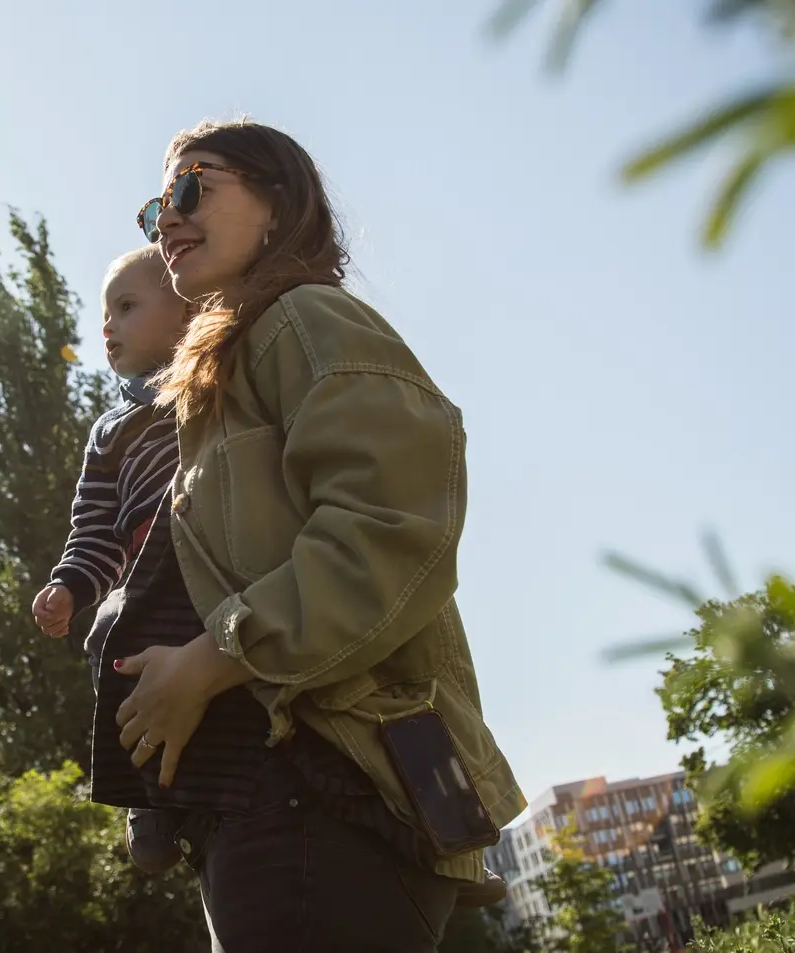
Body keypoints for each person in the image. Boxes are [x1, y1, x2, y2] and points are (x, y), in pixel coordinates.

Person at [101, 119, 527, 951]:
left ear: (277, 204)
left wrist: (206, 662)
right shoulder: (225, 367)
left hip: (328, 788)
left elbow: (386, 532)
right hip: (271, 798)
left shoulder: (304, 319)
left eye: (195, 187)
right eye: (156, 207)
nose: (169, 221)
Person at [31, 244, 195, 873]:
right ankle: (148, 799)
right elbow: (94, 527)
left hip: (212, 551)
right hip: (148, 577)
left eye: (127, 306)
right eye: (104, 314)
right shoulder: (109, 432)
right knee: (108, 638)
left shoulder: (211, 378)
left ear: (186, 308)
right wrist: (71, 585)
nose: (108, 326)